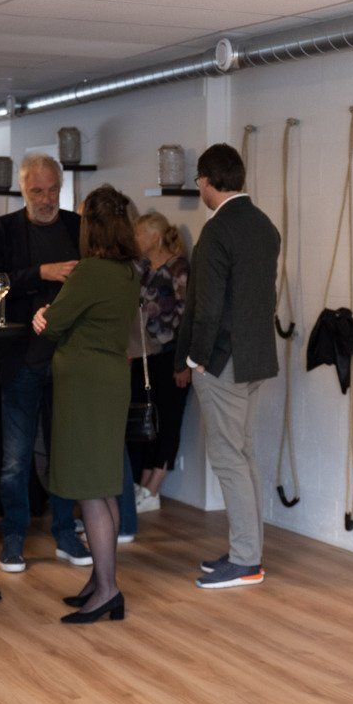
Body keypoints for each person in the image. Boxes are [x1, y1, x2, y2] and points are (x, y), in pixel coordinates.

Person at [0, 154, 92, 573]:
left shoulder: (78, 228)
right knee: (15, 459)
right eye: (36, 191)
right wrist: (42, 272)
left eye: (52, 190)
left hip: (68, 359)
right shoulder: (2, 230)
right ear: (23, 191)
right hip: (20, 357)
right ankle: (13, 539)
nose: (46, 199)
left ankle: (65, 533)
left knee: (64, 454)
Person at [34, 186, 142, 624]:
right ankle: (101, 580)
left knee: (91, 491)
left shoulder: (91, 271)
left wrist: (45, 316)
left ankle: (108, 590)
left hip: (86, 388)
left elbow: (55, 324)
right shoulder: (127, 271)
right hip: (111, 381)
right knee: (104, 485)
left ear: (91, 226)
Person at [177, 144, 281, 590]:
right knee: (243, 455)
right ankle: (247, 549)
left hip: (222, 359)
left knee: (228, 457)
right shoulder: (264, 225)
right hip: (256, 356)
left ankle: (245, 560)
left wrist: (196, 358)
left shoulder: (218, 232)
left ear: (205, 181)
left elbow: (208, 307)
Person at [129, 211, 190, 510]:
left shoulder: (178, 268)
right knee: (143, 419)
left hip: (170, 355)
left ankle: (154, 488)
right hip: (142, 355)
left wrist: (183, 363)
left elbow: (186, 316)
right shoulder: (140, 268)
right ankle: (140, 485)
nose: (135, 240)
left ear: (154, 236)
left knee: (168, 420)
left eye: (139, 234)